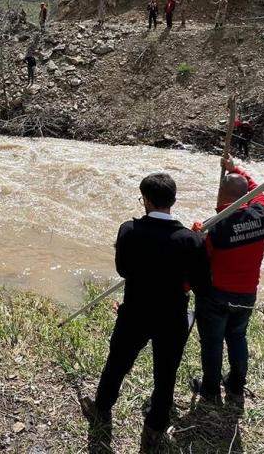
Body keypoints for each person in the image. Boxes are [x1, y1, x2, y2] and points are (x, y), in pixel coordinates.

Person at [80, 173, 209, 452]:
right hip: (172, 318)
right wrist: (198, 245)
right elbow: (201, 285)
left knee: (117, 363)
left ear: (146, 200)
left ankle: (101, 409)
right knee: (166, 374)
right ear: (173, 201)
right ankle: (154, 429)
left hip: (135, 313)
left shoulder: (129, 230)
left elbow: (123, 270)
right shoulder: (191, 240)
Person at [191, 156, 264, 405]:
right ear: (245, 195)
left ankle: (210, 389)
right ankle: (236, 386)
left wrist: (196, 236)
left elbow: (199, 263)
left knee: (212, 342)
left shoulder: (213, 228)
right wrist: (235, 169)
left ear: (220, 194)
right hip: (246, 294)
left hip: (216, 295)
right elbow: (258, 189)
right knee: (238, 338)